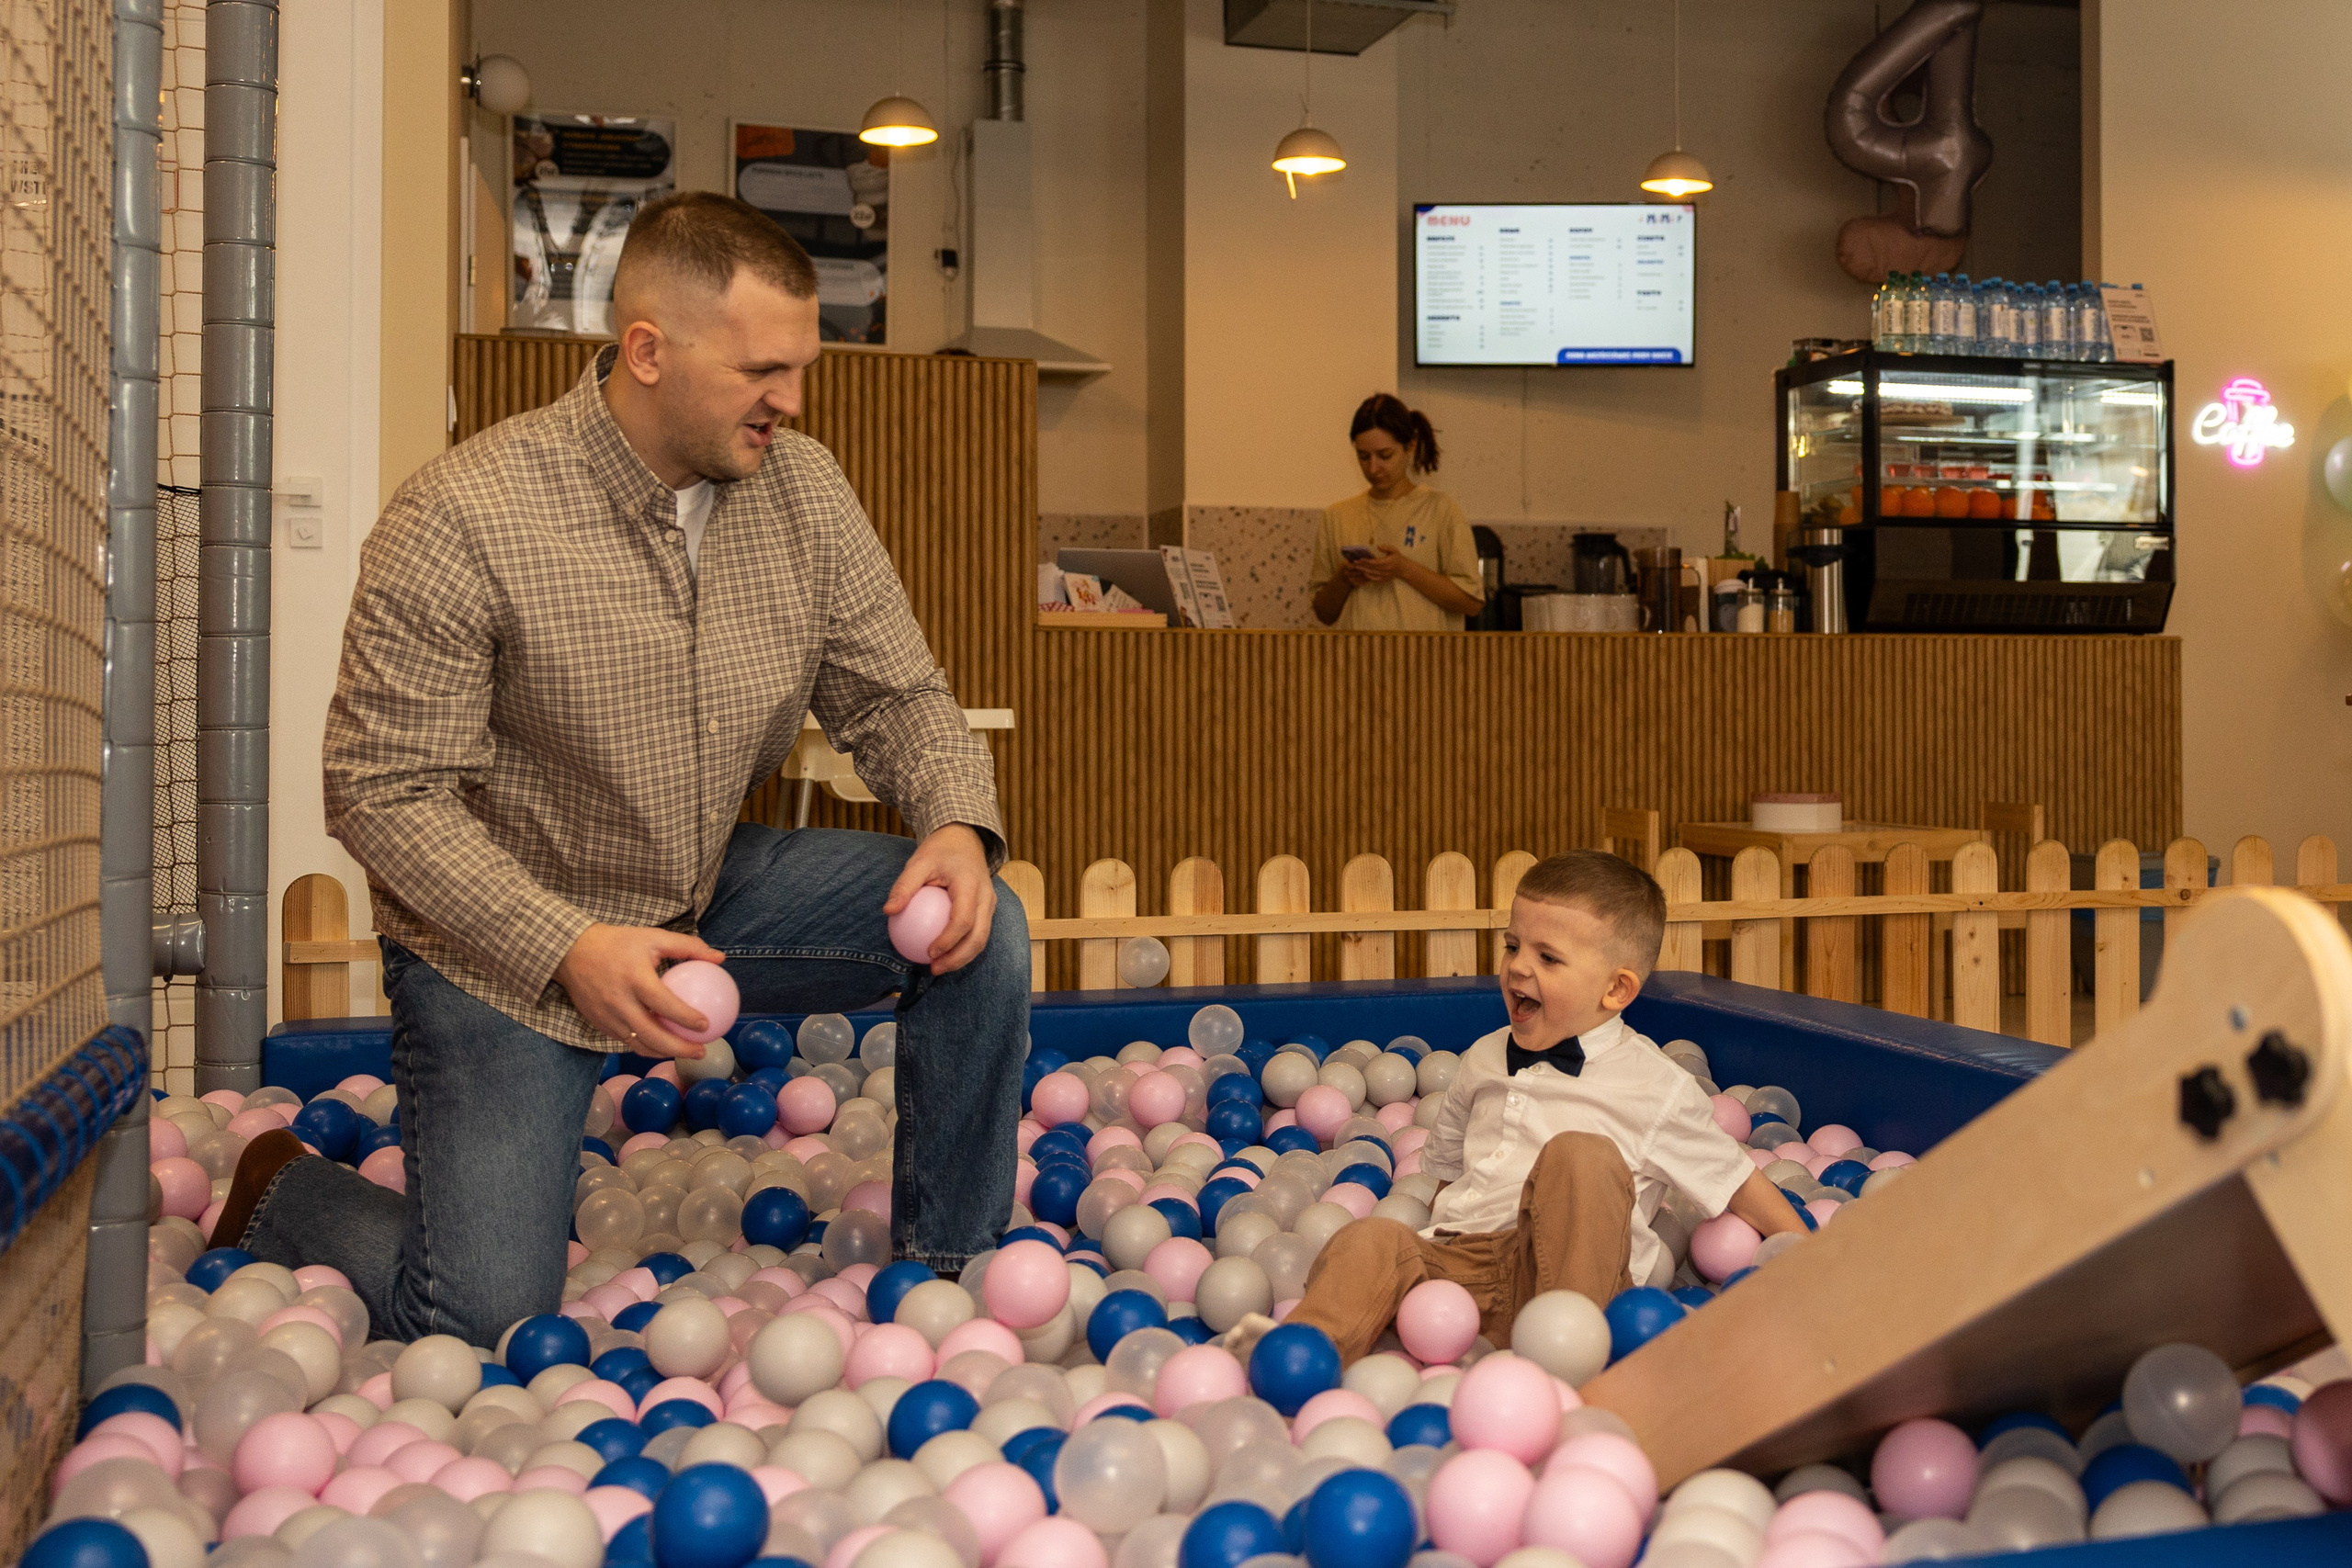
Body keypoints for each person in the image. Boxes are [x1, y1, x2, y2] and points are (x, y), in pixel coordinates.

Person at [210, 191, 1031, 1348]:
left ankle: (945, 1272)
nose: (790, 402)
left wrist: (958, 823)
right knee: (481, 1319)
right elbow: (380, 791)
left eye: (799, 367)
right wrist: (566, 948)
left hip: (699, 893)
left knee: (979, 924)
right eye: (762, 370)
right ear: (647, 351)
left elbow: (894, 693)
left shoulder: (804, 491)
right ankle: (285, 1188)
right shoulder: (463, 515)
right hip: (504, 947)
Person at [1239, 851, 1803, 1365]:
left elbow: (1739, 1185)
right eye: (1513, 946)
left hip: (1572, 1276)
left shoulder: (1657, 1087)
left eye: (1548, 957)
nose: (1517, 967)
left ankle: (1571, 1358)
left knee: (1580, 1155)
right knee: (1372, 1238)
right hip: (1463, 1270)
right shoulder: (1483, 1057)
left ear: (1616, 990)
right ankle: (1298, 1359)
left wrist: (1816, 1260)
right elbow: (1447, 1182)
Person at [1310, 393, 1486, 630]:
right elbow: (1323, 613)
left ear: (1410, 445)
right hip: (1355, 662)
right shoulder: (1337, 516)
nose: (1374, 468)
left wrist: (1404, 569)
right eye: (1363, 457)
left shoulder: (1440, 510)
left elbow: (1471, 602)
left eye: (1385, 455)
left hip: (1424, 663)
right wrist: (1344, 578)